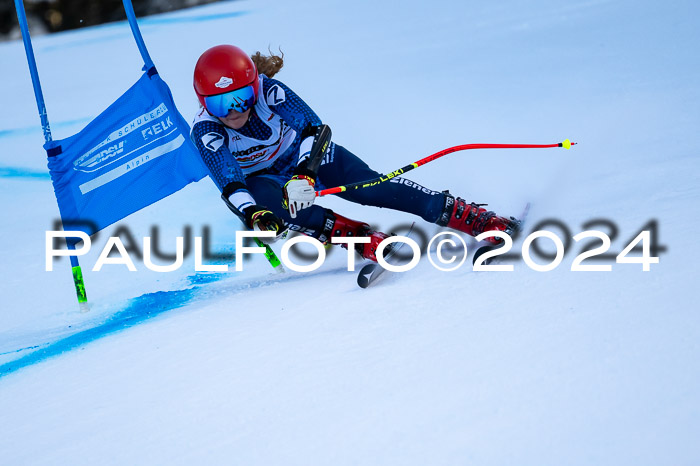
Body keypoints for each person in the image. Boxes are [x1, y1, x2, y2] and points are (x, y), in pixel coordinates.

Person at [190, 45, 518, 262]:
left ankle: (468, 216)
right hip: (267, 179)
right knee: (268, 202)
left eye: (241, 98)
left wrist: (305, 173)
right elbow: (231, 184)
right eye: (219, 104)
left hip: (307, 156)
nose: (233, 112)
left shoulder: (270, 91)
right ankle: (360, 238)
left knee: (372, 188)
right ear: (203, 102)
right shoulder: (207, 131)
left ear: (254, 86)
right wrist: (254, 216)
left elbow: (314, 130)